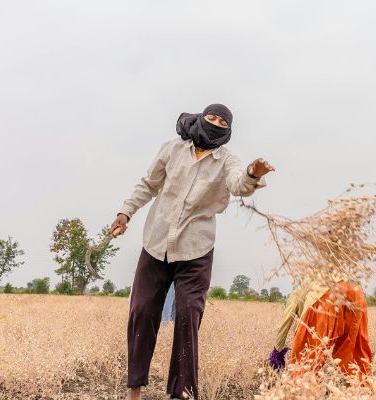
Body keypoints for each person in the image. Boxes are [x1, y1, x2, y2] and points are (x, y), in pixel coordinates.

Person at [110, 104, 274, 400]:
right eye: (212, 117)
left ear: (228, 131)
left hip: (196, 250)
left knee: (188, 315)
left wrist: (253, 173)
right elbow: (148, 184)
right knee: (142, 310)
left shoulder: (226, 160)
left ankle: (182, 393)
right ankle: (134, 388)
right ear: (200, 118)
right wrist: (125, 212)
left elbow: (239, 184)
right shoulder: (173, 148)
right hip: (156, 243)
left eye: (223, 121)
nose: (216, 123)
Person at [270, 277, 372, 383]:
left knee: (305, 366)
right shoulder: (316, 277)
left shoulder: (297, 292)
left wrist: (277, 349)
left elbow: (287, 318)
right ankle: (364, 392)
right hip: (356, 291)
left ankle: (305, 394)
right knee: (355, 360)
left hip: (325, 294)